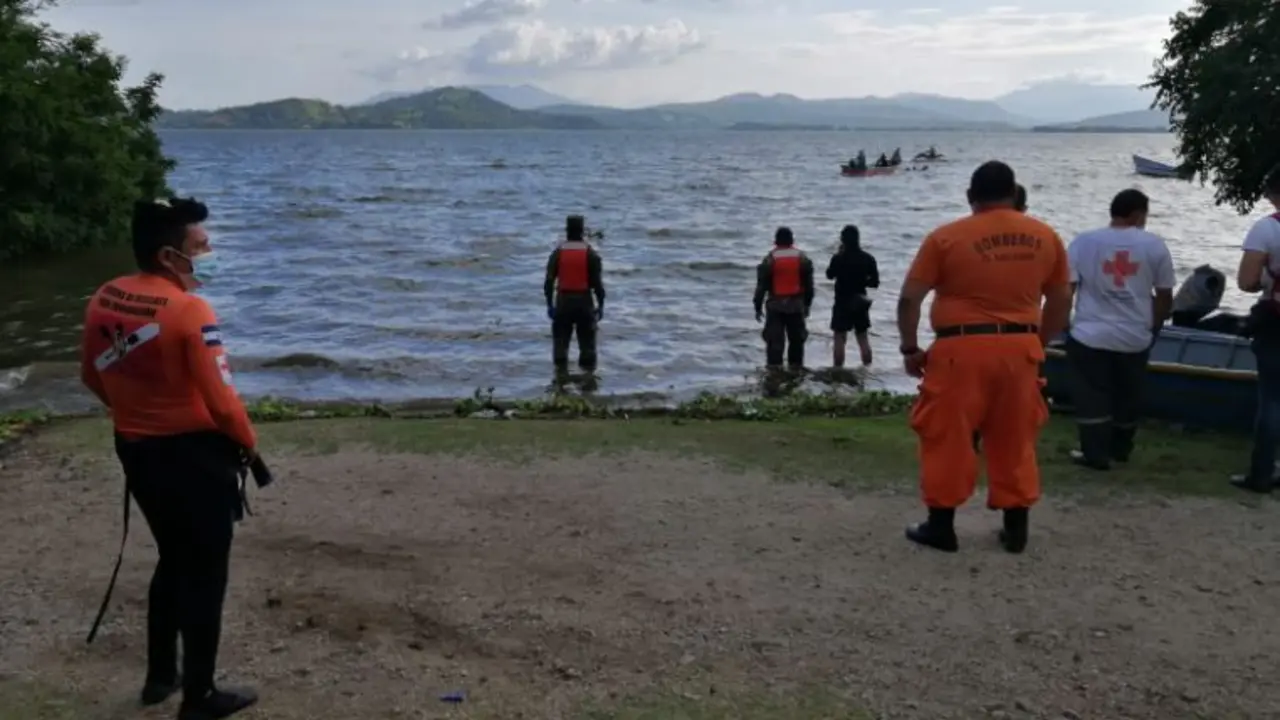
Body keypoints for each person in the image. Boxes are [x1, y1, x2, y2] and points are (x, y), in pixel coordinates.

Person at [79, 197, 259, 719]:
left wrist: (137, 417)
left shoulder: (105, 296)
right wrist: (250, 443)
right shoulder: (189, 310)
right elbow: (224, 404)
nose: (209, 252)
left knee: (173, 557)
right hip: (193, 459)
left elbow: (91, 376)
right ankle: (199, 697)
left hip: (136, 449)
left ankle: (161, 675)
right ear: (167, 255)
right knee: (205, 574)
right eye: (200, 247)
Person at [896, 161, 1072, 554]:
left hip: (960, 350)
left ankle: (941, 527)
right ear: (1013, 193)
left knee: (947, 437)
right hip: (1021, 349)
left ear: (970, 197)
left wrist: (910, 347)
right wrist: (1037, 342)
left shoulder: (946, 237)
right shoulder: (1046, 237)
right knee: (1015, 437)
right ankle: (1016, 528)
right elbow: (1061, 298)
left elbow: (910, 298)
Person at [1064, 189, 1175, 470]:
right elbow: (1164, 295)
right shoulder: (1155, 245)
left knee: (1092, 395)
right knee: (1128, 395)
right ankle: (1120, 449)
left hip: (1089, 333)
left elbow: (1068, 289)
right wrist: (1154, 327)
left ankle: (1095, 454)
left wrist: (1064, 324)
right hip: (1134, 335)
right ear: (1138, 214)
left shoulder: (1083, 242)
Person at [1231, 165, 1280, 493]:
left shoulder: (1267, 229)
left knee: (1273, 400)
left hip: (1277, 323)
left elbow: (1247, 281)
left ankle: (1262, 473)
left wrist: (1265, 279)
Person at [544, 215, 605, 373]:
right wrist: (601, 305)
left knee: (560, 347)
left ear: (567, 231)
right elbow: (598, 285)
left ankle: (560, 384)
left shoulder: (557, 253)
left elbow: (549, 282)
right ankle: (588, 386)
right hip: (584, 302)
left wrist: (550, 305)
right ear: (582, 232)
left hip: (563, 301)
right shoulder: (590, 254)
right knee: (588, 348)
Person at [754, 227, 815, 368]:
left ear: (775, 241)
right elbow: (809, 286)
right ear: (792, 240)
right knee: (796, 342)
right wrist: (807, 305)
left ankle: (774, 373)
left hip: (775, 306)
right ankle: (795, 371)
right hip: (796, 305)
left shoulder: (770, 259)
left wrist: (757, 307)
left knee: (775, 344)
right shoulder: (802, 258)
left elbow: (761, 287)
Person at [825, 225, 879, 367]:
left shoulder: (838, 258)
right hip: (860, 301)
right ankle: (867, 369)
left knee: (839, 337)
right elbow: (875, 283)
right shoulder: (868, 258)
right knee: (862, 337)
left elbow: (829, 275)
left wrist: (838, 254)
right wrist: (862, 281)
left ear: (843, 240)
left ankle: (838, 369)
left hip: (842, 301)